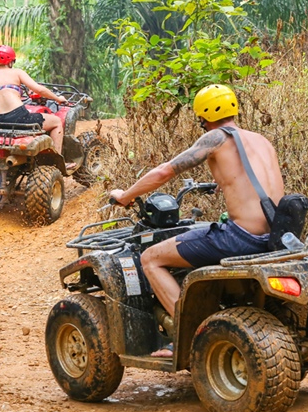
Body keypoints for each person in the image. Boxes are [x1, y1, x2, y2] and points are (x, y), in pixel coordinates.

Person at [109, 84, 284, 358]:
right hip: (277, 236)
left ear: (203, 116)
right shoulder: (260, 140)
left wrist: (125, 195)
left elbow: (164, 172)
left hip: (241, 237)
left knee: (151, 258)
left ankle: (190, 334)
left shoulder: (216, 138)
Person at [0, 45, 67, 154]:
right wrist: (57, 98)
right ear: (11, 61)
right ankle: (57, 157)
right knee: (57, 121)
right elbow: (40, 90)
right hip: (18, 117)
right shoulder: (17, 72)